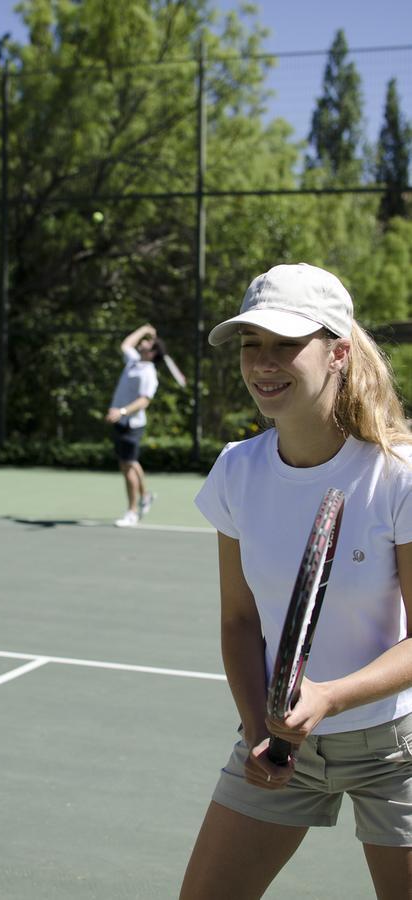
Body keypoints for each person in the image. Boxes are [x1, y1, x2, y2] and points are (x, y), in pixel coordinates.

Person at [179, 262, 412, 899]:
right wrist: (258, 728)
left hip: (399, 748)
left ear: (337, 352)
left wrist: (331, 697)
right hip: (281, 741)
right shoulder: (236, 470)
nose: (263, 362)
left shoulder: (398, 475)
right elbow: (239, 620)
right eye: (252, 344)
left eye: (286, 344)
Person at [105, 323, 165, 527]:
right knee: (128, 463)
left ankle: (132, 512)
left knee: (128, 466)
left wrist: (121, 411)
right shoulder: (133, 361)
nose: (144, 343)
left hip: (132, 424)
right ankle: (145, 495)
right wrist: (145, 329)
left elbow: (143, 401)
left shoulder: (148, 373)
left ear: (153, 352)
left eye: (148, 342)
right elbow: (126, 344)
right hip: (120, 422)